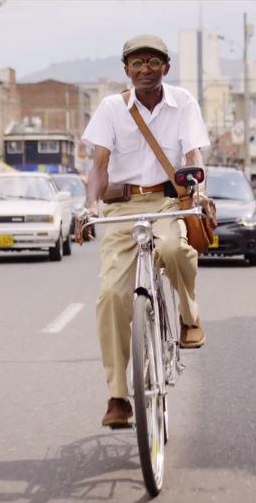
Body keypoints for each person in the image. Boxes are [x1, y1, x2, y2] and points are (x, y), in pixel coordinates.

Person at [76, 34, 210, 429]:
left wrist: (197, 188)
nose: (145, 69)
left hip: (168, 202)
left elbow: (193, 154)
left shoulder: (183, 102)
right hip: (121, 210)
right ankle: (118, 394)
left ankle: (189, 316)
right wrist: (89, 207)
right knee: (111, 296)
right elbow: (99, 166)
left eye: (153, 62)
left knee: (173, 247)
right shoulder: (110, 108)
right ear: (126, 70)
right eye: (137, 63)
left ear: (165, 68)